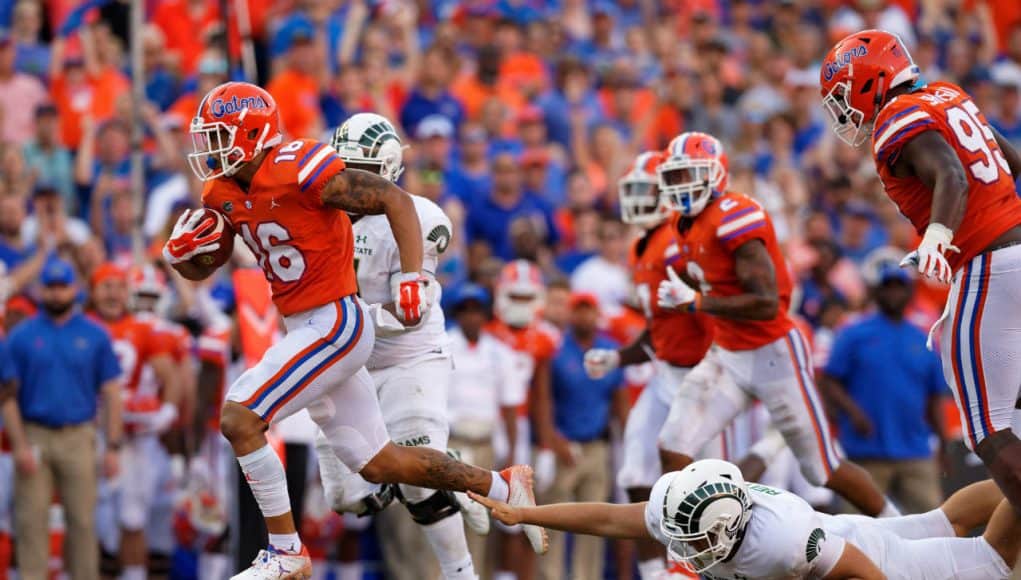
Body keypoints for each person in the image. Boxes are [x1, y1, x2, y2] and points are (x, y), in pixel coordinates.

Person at [162, 82, 544, 578]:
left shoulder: (296, 165)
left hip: (335, 321)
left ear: (253, 132)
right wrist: (185, 255)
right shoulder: (222, 188)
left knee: (239, 417)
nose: (209, 149)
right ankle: (501, 484)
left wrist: (410, 276)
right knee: (382, 465)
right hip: (308, 325)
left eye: (218, 136)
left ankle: (284, 550)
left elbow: (393, 198)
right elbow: (207, 263)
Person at [820, 29, 1021, 523]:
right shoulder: (948, 94)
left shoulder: (895, 116)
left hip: (988, 266)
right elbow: (1012, 164)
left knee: (988, 431)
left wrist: (936, 234)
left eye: (845, 95)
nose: (845, 111)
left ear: (871, 80)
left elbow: (950, 174)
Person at [653, 132, 893, 517]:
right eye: (676, 177)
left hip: (772, 352)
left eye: (690, 175)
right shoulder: (682, 223)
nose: (681, 186)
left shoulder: (735, 215)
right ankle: (694, 555)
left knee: (822, 468)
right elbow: (716, 278)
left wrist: (696, 301)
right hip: (728, 352)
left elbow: (766, 305)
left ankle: (896, 526)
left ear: (715, 174)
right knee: (673, 444)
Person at [313, 112, 486, 580]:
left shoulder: (419, 217)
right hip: (348, 362)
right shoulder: (316, 213)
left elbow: (407, 314)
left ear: (387, 172)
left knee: (415, 471)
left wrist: (335, 320)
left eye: (361, 170)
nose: (349, 180)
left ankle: (459, 571)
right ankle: (436, 470)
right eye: (343, 166)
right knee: (347, 498)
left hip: (408, 354)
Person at [470, 458, 1020, 580]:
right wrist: (527, 511)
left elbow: (863, 576)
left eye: (696, 541)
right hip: (842, 538)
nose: (682, 547)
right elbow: (611, 518)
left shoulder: (781, 539)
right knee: (940, 521)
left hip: (864, 562)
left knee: (990, 561)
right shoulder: (686, 505)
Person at [582, 151, 715, 580]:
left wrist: (696, 301)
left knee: (698, 483)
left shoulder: (677, 240)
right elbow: (660, 328)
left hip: (702, 373)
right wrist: (619, 356)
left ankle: (693, 567)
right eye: (635, 189)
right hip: (666, 370)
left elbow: (711, 307)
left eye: (648, 189)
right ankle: (656, 571)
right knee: (636, 472)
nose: (638, 199)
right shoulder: (641, 247)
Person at [0, 258, 123, 580]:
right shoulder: (21, 336)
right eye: (50, 287)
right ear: (41, 290)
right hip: (34, 434)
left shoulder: (94, 335)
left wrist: (112, 445)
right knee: (31, 520)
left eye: (62, 287)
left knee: (82, 521)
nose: (56, 294)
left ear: (75, 289)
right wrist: (20, 444)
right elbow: (7, 396)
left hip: (79, 435)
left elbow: (111, 390)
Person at [819, 250, 949, 514]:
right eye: (886, 287)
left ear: (910, 291)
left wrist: (944, 444)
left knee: (932, 525)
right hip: (865, 452)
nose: (893, 293)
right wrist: (854, 413)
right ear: (875, 292)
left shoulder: (923, 338)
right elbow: (829, 380)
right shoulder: (854, 333)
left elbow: (935, 397)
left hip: (915, 451)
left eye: (899, 287)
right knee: (857, 527)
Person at [537, 291, 627, 580]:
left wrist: (626, 444)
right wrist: (551, 441)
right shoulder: (557, 349)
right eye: (579, 310)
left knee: (595, 524)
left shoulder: (610, 350)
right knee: (554, 521)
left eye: (589, 310)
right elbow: (542, 398)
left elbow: (619, 399)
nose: (584, 316)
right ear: (570, 314)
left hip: (597, 446)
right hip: (565, 444)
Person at [447, 283, 529, 576]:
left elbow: (510, 409)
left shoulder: (500, 353)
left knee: (483, 517)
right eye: (465, 311)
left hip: (485, 443)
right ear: (457, 314)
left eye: (476, 311)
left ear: (485, 315)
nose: (471, 317)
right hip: (452, 442)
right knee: (449, 518)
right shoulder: (444, 346)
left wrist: (514, 455)